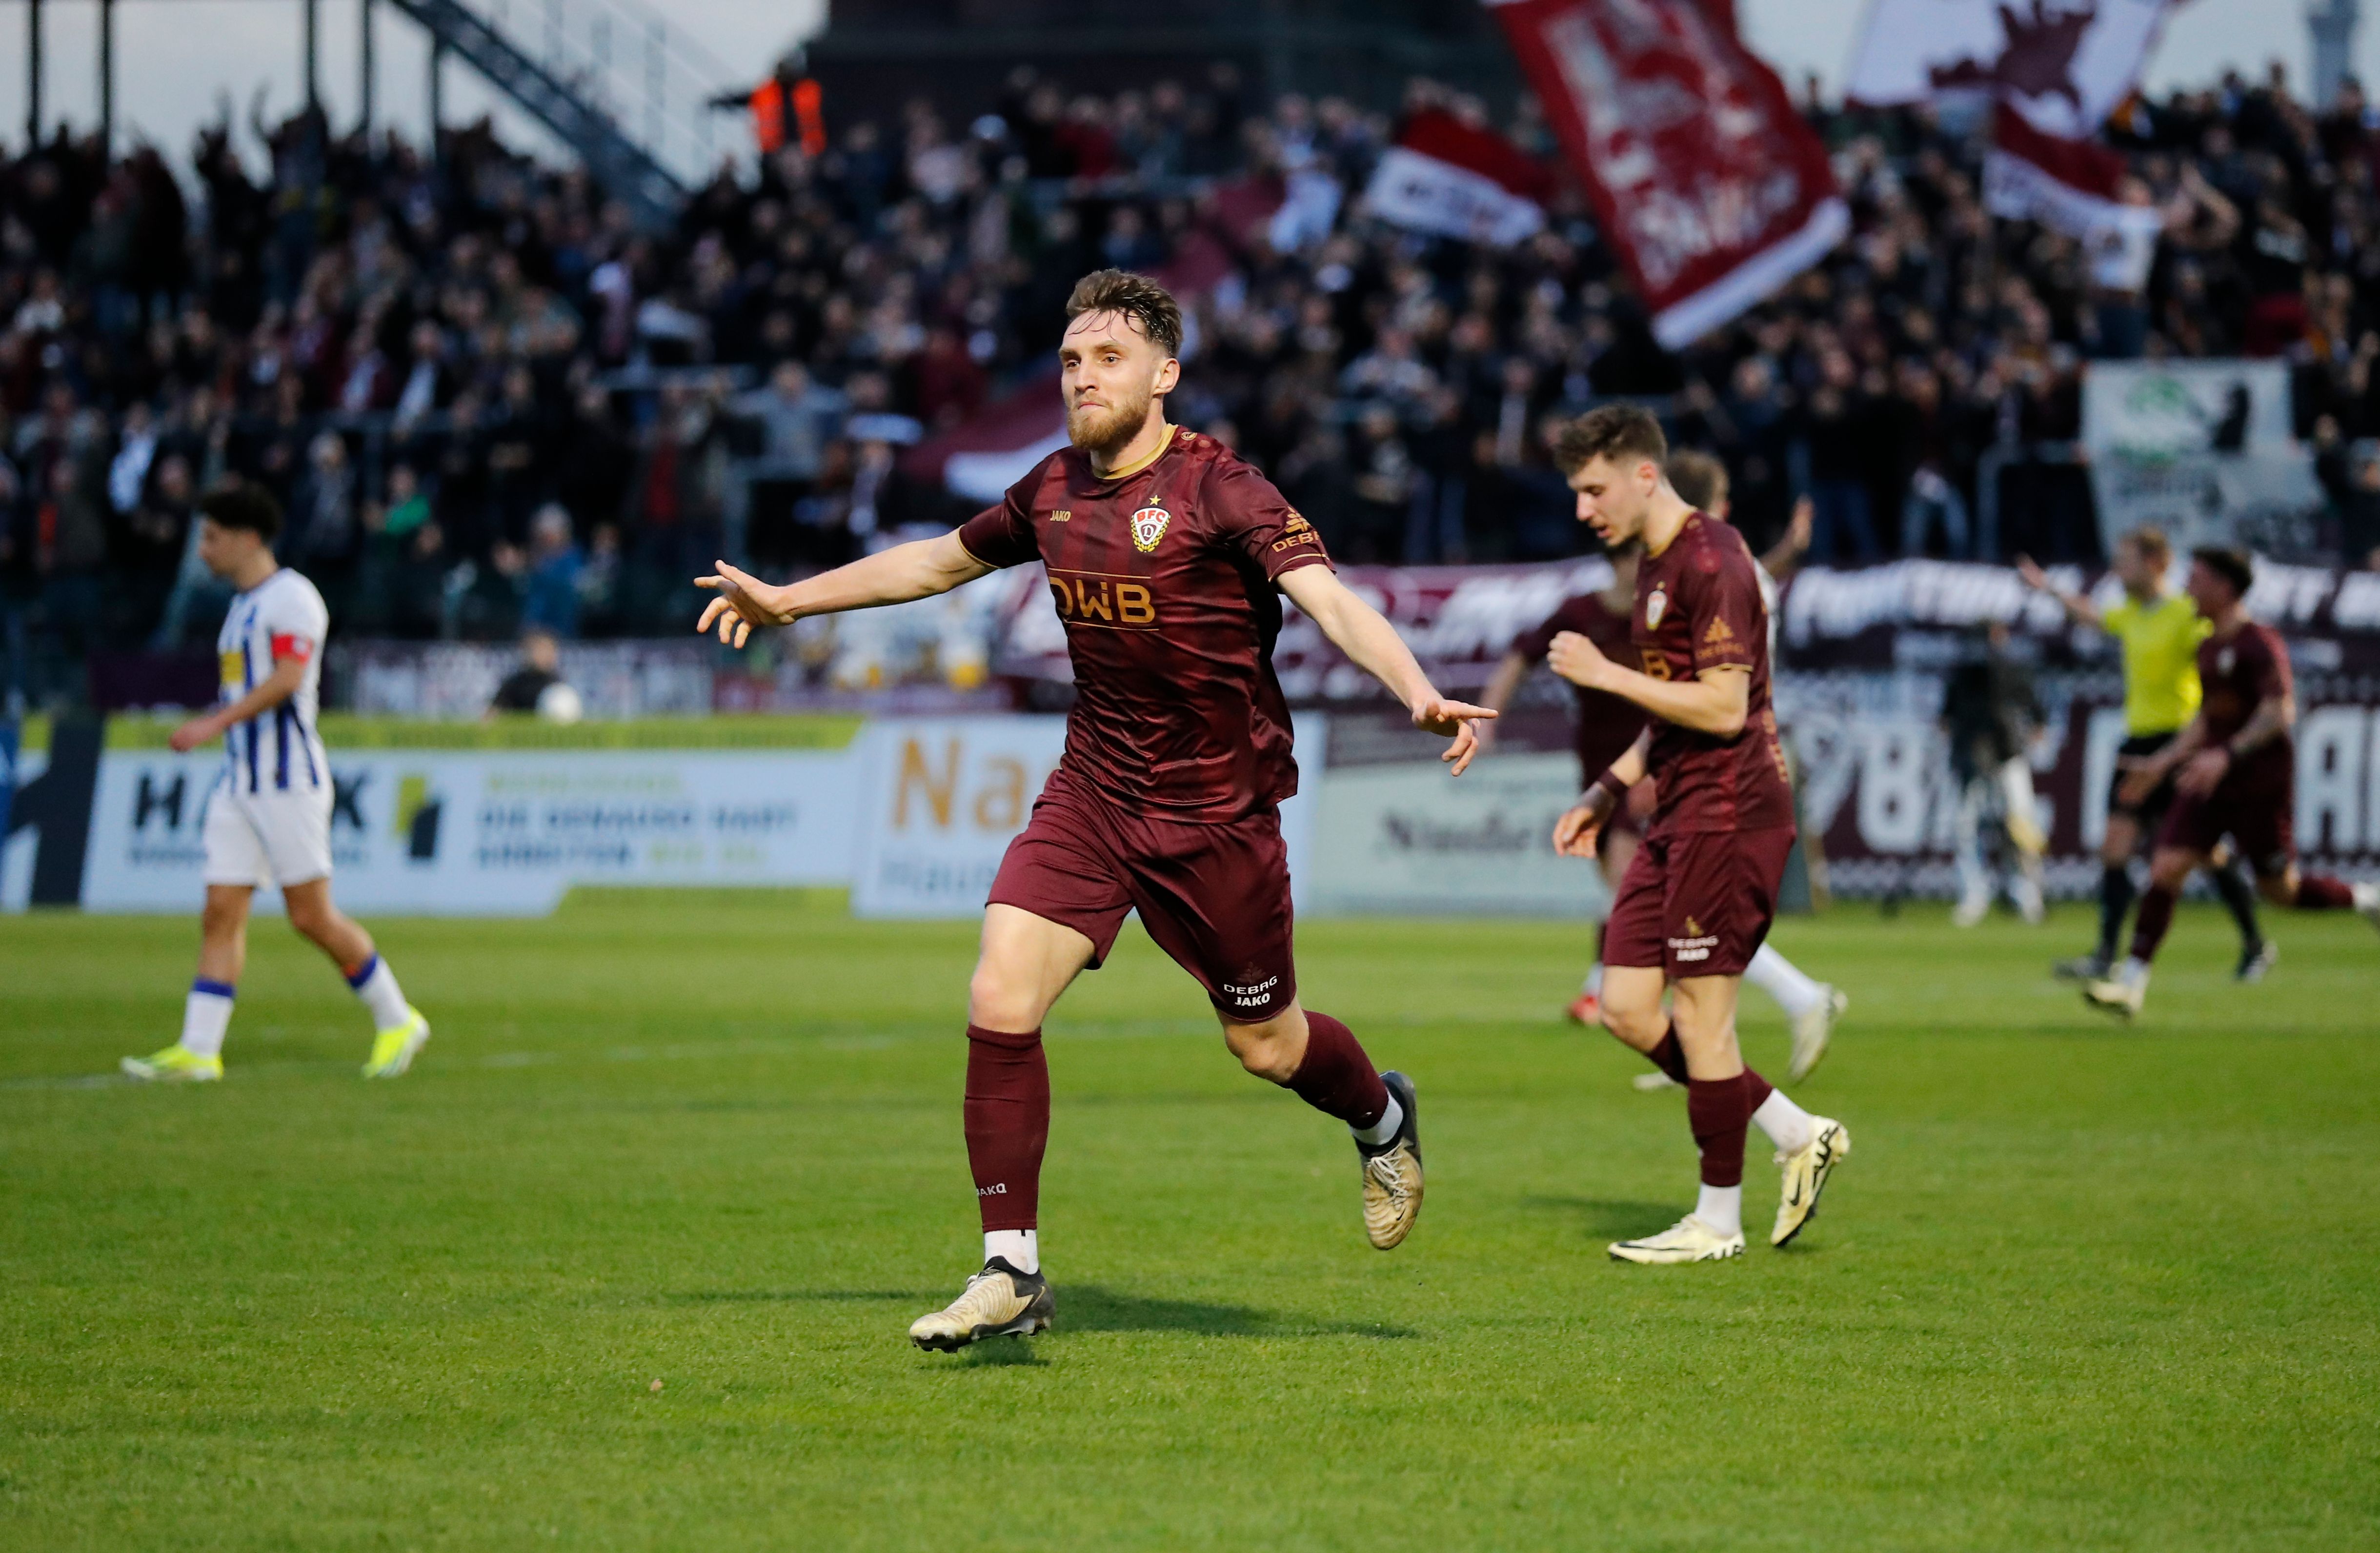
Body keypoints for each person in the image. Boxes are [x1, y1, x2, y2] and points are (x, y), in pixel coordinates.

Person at [693, 270, 1495, 1349]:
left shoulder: (1224, 489)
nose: (1083, 376)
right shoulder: (1053, 487)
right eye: (1071, 359)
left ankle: (1382, 1116)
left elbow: (1331, 599)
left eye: (1108, 358)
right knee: (1000, 990)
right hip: (1095, 793)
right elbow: (938, 560)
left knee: (1265, 1044)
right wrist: (790, 598)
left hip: (1217, 815)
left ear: (1166, 375)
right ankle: (1010, 1266)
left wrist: (1417, 689)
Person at [1541, 406, 1849, 1264]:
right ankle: (1795, 1129)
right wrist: (1607, 790)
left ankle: (1717, 1220)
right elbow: (1668, 712)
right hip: (1676, 809)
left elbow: (1720, 706)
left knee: (1701, 1020)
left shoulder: (1711, 560)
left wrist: (1603, 673)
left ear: (1645, 473)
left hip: (1729, 813)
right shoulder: (1654, 564)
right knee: (1628, 1008)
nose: (1582, 509)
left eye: (1591, 488)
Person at [1474, 451, 1844, 1086]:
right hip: (1610, 772)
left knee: (1658, 908)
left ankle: (1787, 1001)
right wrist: (1487, 717)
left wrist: (1787, 549)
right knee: (1658, 910)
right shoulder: (1585, 612)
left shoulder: (1678, 601)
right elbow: (1519, 654)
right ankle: (1711, 1032)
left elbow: (1747, 587)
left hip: (1667, 769)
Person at [121, 480, 430, 1084]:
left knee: (311, 917)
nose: (203, 551)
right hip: (242, 782)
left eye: (211, 539)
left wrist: (214, 722)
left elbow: (290, 678)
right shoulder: (241, 608)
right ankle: (199, 1050)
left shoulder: (293, 599)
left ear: (246, 538)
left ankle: (397, 1019)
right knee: (220, 911)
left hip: (289, 782)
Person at [2083, 548, 2380, 1018]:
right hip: (2208, 779)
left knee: (2280, 891)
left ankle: (2367, 897)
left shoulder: (2258, 642)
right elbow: (2207, 719)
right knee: (2166, 866)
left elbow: (2280, 710)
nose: (2187, 589)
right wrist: (2162, 763)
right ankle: (2131, 983)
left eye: (2196, 580)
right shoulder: (2207, 646)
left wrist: (2229, 753)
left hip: (2259, 783)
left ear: (2224, 587)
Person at [2017, 530, 2270, 981]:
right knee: (2114, 849)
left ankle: (2254, 942)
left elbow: (2224, 655)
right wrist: (2049, 590)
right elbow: (2093, 617)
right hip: (2137, 744)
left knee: (2204, 853)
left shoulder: (2186, 613)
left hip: (2179, 744)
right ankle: (2104, 953)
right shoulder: (2132, 613)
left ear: (2155, 563)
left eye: (2126, 560)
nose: (2117, 568)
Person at [1939, 620, 2048, 927]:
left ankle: (2028, 893)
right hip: (1970, 756)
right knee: (1964, 825)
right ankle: (1974, 893)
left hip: (2007, 753)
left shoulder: (2011, 669)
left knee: (2020, 822)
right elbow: (1947, 717)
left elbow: (2035, 711)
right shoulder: (1962, 671)